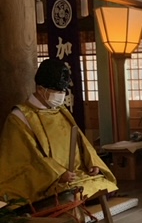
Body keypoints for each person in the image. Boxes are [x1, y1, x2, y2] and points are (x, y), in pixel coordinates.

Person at [0, 58, 117, 206]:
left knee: (105, 186)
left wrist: (92, 163)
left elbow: (81, 141)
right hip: (48, 181)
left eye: (63, 91)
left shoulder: (61, 110)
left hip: (76, 173)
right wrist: (58, 174)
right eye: (57, 91)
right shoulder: (20, 117)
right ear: (40, 89)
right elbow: (27, 159)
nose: (61, 95)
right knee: (70, 195)